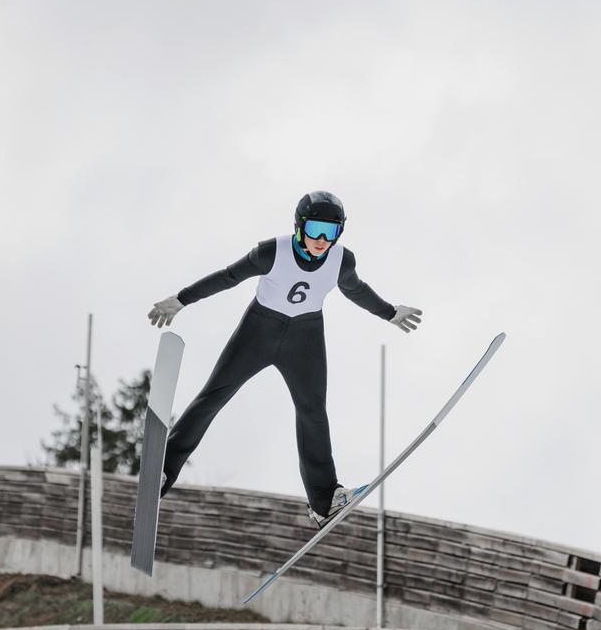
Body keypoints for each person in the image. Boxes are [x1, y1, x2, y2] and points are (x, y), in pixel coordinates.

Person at [147, 191, 422, 527]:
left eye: (331, 232)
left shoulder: (341, 261)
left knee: (312, 411)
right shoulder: (271, 252)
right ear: (299, 225)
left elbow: (357, 290)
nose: (322, 240)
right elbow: (227, 276)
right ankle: (163, 469)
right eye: (315, 229)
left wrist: (390, 313)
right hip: (258, 331)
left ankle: (324, 501)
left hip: (304, 338)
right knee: (214, 395)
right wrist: (181, 300)